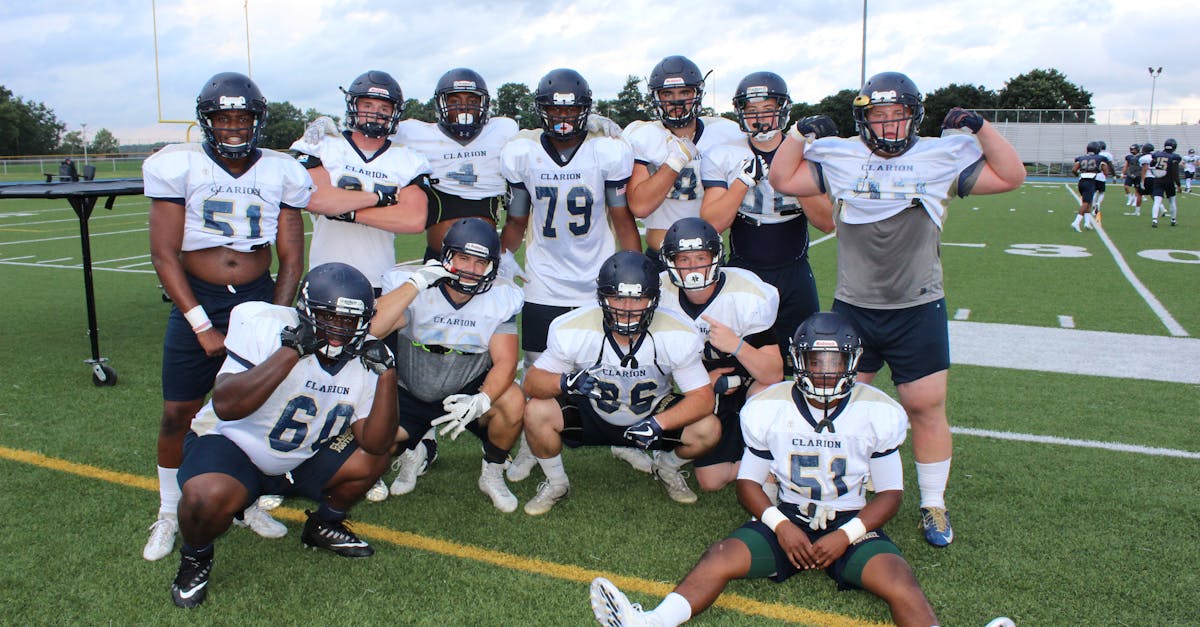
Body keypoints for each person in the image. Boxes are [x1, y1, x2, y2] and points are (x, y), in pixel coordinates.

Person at [768, 71, 1026, 547]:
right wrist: (802, 133)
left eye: (898, 115)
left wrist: (981, 126)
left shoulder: (937, 156)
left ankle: (933, 502)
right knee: (832, 408)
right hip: (854, 309)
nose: (888, 126)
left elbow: (1013, 175)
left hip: (917, 306)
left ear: (914, 117)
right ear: (864, 120)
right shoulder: (843, 157)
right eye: (878, 116)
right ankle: (838, 492)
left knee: (925, 406)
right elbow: (782, 177)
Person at [589, 312, 939, 627]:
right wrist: (782, 526)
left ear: (854, 362)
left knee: (899, 580)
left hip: (850, 520)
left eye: (836, 361)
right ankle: (652, 622)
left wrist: (845, 535)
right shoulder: (770, 406)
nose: (826, 371)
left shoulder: (878, 411)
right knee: (720, 556)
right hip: (788, 514)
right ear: (799, 361)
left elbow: (892, 493)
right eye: (816, 361)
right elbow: (748, 483)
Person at [143, 71, 312, 562]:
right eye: (223, 117)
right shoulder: (179, 165)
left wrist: (274, 317)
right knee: (179, 412)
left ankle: (250, 501)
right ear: (207, 121)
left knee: (256, 407)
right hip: (199, 297)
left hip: (258, 297)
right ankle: (170, 512)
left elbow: (292, 257)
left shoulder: (282, 171)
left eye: (242, 117)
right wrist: (200, 323)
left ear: (257, 120)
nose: (233, 126)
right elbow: (163, 254)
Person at [169, 262, 399, 608]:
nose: (339, 330)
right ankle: (195, 557)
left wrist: (386, 377)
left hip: (303, 456)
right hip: (234, 446)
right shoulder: (266, 326)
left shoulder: (366, 357)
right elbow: (227, 405)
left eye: (350, 320)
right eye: (329, 316)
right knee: (206, 495)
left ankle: (324, 524)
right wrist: (291, 352)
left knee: (376, 454)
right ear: (305, 311)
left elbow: (377, 443)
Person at [513, 251, 718, 514]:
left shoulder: (677, 332)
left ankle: (666, 467)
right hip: (593, 412)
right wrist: (566, 382)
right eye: (618, 297)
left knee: (708, 428)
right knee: (536, 411)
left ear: (654, 300)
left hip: (650, 414)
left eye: (638, 298)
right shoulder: (574, 327)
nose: (627, 308)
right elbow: (532, 383)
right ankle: (556, 482)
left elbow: (703, 397)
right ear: (602, 297)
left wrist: (658, 424)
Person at [364, 218, 525, 512]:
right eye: (463, 258)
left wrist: (483, 399)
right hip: (411, 387)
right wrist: (416, 285)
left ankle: (491, 473)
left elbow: (505, 361)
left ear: (492, 265)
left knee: (513, 402)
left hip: (467, 386)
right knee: (372, 449)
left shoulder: (501, 296)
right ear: (446, 256)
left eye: (480, 262)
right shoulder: (415, 284)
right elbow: (373, 329)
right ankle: (414, 450)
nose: (470, 269)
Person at [498, 68, 642, 371]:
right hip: (544, 282)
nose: (562, 115)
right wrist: (503, 260)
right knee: (540, 370)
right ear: (541, 110)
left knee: (601, 368)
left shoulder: (606, 150)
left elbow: (623, 221)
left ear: (585, 111)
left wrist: (633, 272)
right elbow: (515, 221)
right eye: (554, 108)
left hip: (597, 280)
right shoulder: (523, 151)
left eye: (571, 108)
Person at [699, 71, 832, 368]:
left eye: (768, 110)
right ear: (740, 113)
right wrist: (742, 182)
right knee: (737, 361)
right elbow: (713, 225)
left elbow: (827, 223)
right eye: (752, 111)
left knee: (807, 358)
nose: (760, 118)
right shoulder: (724, 154)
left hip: (795, 271)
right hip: (744, 270)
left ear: (782, 111)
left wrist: (798, 181)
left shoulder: (810, 151)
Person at [655, 217, 782, 491]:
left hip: (750, 382)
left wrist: (736, 345)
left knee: (766, 396)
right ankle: (756, 465)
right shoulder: (660, 294)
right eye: (684, 259)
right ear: (671, 261)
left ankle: (769, 464)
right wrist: (703, 382)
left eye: (701, 257)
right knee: (711, 481)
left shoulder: (747, 293)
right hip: (706, 390)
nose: (693, 268)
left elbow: (773, 372)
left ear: (716, 256)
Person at [291, 70, 431, 290]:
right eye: (368, 106)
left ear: (395, 113)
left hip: (378, 279)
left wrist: (349, 211)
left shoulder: (409, 159)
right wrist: (380, 199)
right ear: (354, 106)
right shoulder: (326, 145)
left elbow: (413, 219)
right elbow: (316, 199)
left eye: (384, 108)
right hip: (324, 275)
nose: (376, 114)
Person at [622, 55, 743, 270]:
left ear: (697, 94)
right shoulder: (642, 135)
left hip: (709, 257)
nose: (676, 101)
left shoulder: (726, 132)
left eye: (684, 92)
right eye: (668, 93)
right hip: (661, 257)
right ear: (656, 97)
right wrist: (674, 162)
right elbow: (640, 206)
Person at [393, 68, 519, 263]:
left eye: (472, 101)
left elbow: (536, 144)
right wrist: (331, 137)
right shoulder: (414, 133)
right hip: (438, 259)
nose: (464, 108)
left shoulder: (503, 130)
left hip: (484, 259)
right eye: (454, 101)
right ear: (441, 104)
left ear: (484, 104)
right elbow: (370, 141)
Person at [1070, 141, 1112, 232]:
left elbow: (1074, 170)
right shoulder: (1101, 158)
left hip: (1081, 180)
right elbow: (1106, 172)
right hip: (1090, 181)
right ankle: (1076, 222)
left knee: (1089, 202)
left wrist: (1079, 174)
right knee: (1086, 203)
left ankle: (1087, 223)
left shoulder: (1082, 158)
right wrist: (1101, 171)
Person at [1142, 138, 1183, 227]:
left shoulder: (1156, 154)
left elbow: (1152, 164)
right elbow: (1175, 172)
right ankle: (1173, 220)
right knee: (1172, 201)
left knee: (1157, 201)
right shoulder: (1175, 157)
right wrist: (1178, 184)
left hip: (1158, 180)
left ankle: (1154, 219)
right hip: (1169, 180)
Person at [1122, 143, 1144, 214]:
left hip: (1138, 174)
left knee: (1137, 189)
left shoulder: (1141, 156)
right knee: (1126, 186)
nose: (1132, 150)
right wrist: (1123, 173)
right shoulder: (1129, 157)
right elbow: (1126, 165)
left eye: (1133, 149)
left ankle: (1135, 200)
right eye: (1131, 149)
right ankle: (1130, 197)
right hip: (1130, 174)